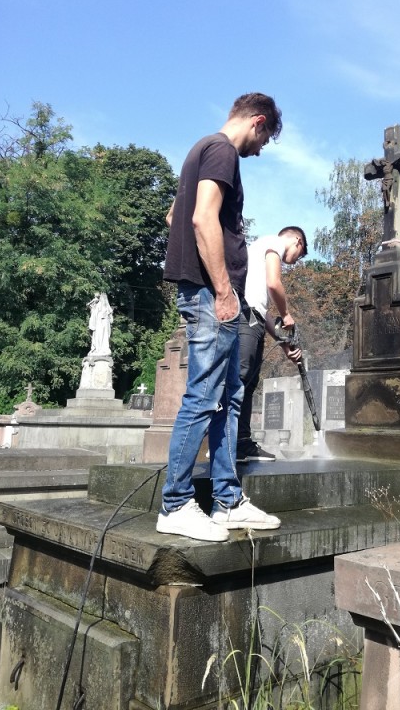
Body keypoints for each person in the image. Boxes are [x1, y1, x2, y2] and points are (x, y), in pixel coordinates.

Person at [157, 93, 283, 543]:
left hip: (206, 292)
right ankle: (175, 503)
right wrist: (224, 290)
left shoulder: (201, 150)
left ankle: (227, 501)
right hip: (213, 294)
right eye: (265, 139)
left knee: (228, 397)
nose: (261, 148)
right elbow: (200, 218)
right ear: (258, 122)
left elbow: (175, 214)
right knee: (206, 395)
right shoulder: (223, 150)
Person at [237, 227, 307, 462]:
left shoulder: (260, 252)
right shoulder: (273, 242)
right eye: (301, 254)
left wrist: (283, 344)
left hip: (253, 317)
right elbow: (274, 283)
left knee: (248, 381)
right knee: (240, 377)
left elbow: (262, 311)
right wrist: (286, 314)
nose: (295, 262)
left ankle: (241, 443)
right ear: (297, 241)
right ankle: (225, 442)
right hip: (244, 316)